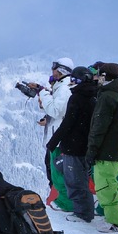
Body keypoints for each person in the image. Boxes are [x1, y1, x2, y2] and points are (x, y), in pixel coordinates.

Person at [46, 66, 97, 224]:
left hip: (73, 147)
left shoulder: (77, 97)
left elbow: (68, 123)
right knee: (82, 180)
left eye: (74, 80)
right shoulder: (94, 96)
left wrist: (53, 142)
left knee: (75, 181)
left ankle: (83, 213)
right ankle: (86, 211)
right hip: (86, 146)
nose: (71, 83)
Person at [86, 62, 118, 233]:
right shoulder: (117, 95)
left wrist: (92, 150)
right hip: (115, 151)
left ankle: (116, 222)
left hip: (107, 152)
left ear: (105, 77)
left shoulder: (107, 97)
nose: (96, 79)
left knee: (106, 188)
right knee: (110, 186)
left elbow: (99, 127)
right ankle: (115, 219)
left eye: (99, 76)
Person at [28, 58, 74, 212]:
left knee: (58, 172)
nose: (52, 70)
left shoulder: (65, 88)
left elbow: (56, 110)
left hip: (59, 139)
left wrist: (42, 93)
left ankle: (65, 203)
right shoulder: (61, 86)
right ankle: (60, 199)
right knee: (54, 170)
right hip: (56, 136)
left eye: (55, 68)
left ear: (62, 70)